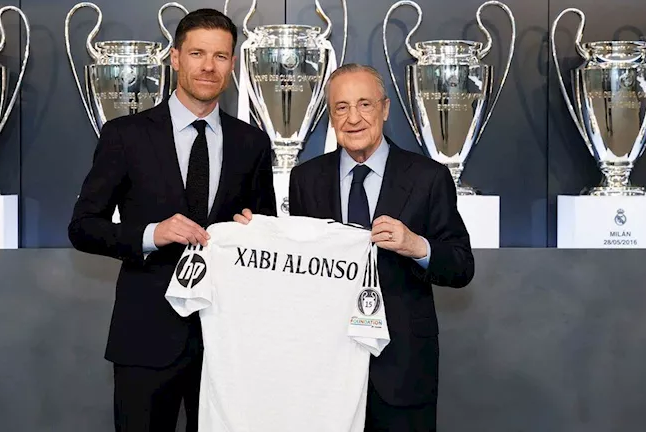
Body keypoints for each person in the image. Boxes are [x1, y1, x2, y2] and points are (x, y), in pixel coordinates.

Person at [234, 63, 474, 431]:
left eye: (364, 104)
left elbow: (461, 265)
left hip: (403, 365)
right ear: (331, 117)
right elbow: (298, 267)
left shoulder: (429, 177)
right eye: (341, 107)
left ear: (385, 109)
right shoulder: (306, 179)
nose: (353, 118)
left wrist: (416, 245)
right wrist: (258, 237)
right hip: (325, 366)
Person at [68, 8, 276, 432]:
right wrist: (151, 234)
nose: (208, 66)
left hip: (225, 341)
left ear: (232, 64)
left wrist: (255, 230)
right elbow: (83, 226)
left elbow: (265, 232)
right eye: (197, 53)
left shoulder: (252, 143)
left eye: (220, 56)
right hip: (145, 337)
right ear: (175, 58)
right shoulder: (125, 135)